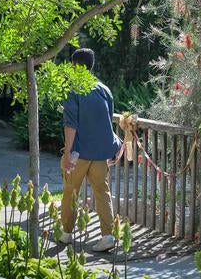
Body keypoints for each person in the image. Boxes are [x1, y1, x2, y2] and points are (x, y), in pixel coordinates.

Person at [59, 48, 123, 252]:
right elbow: (107, 121)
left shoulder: (73, 89)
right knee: (102, 192)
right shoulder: (104, 89)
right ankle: (108, 236)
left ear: (76, 65)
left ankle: (67, 234)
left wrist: (67, 152)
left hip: (78, 153)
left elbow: (71, 125)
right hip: (100, 154)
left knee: (71, 191)